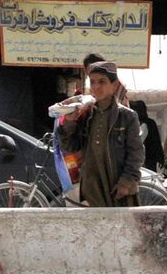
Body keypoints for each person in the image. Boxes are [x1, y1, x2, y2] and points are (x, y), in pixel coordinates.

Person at [59, 61, 144, 207]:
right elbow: (70, 146)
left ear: (114, 85)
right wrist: (69, 122)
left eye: (102, 82)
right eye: (92, 82)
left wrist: (126, 182)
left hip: (117, 190)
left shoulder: (127, 116)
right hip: (92, 189)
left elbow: (136, 154)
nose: (96, 87)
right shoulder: (85, 113)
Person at [133, 100, 163, 172]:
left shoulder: (141, 124)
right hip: (148, 159)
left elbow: (156, 141)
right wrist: (160, 157)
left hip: (146, 159)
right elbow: (157, 141)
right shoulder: (150, 123)